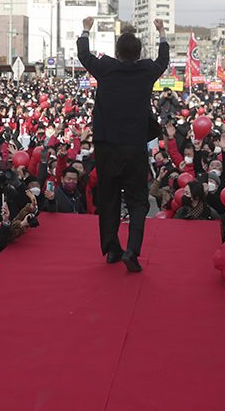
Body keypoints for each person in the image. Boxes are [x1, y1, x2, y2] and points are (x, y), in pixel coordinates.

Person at [76, 16, 169, 272]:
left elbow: (83, 54)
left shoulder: (106, 67)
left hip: (107, 146)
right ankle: (132, 250)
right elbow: (163, 60)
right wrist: (161, 33)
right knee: (138, 200)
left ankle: (112, 249)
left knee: (108, 198)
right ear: (139, 54)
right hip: (136, 146)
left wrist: (86, 29)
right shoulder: (147, 70)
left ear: (116, 53)